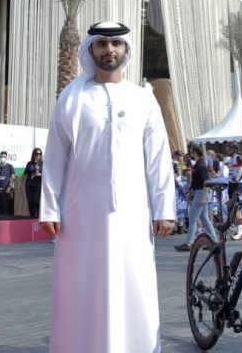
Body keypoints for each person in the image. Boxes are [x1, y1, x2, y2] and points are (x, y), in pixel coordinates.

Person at [39, 22, 174, 353]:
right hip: (80, 217)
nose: (109, 50)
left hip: (132, 214)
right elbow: (55, 158)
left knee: (134, 288)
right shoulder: (71, 97)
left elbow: (158, 158)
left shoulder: (143, 98)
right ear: (90, 49)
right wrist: (49, 208)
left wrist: (165, 209)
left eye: (115, 44)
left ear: (126, 51)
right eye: (101, 44)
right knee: (80, 288)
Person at [174, 144, 217, 251]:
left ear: (194, 152)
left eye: (191, 151)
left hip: (200, 194)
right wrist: (191, 192)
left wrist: (202, 196)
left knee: (193, 218)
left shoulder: (200, 165)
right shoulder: (199, 164)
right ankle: (214, 241)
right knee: (205, 219)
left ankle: (189, 243)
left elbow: (206, 181)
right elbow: (200, 181)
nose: (190, 154)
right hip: (200, 193)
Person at [23, 148, 43, 218]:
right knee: (30, 202)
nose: (38, 155)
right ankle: (32, 217)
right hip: (29, 185)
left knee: (36, 202)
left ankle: (38, 216)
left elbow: (47, 175)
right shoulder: (29, 163)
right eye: (36, 153)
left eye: (39, 154)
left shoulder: (42, 164)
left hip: (38, 185)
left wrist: (39, 174)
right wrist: (20, 183)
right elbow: (25, 174)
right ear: (33, 154)